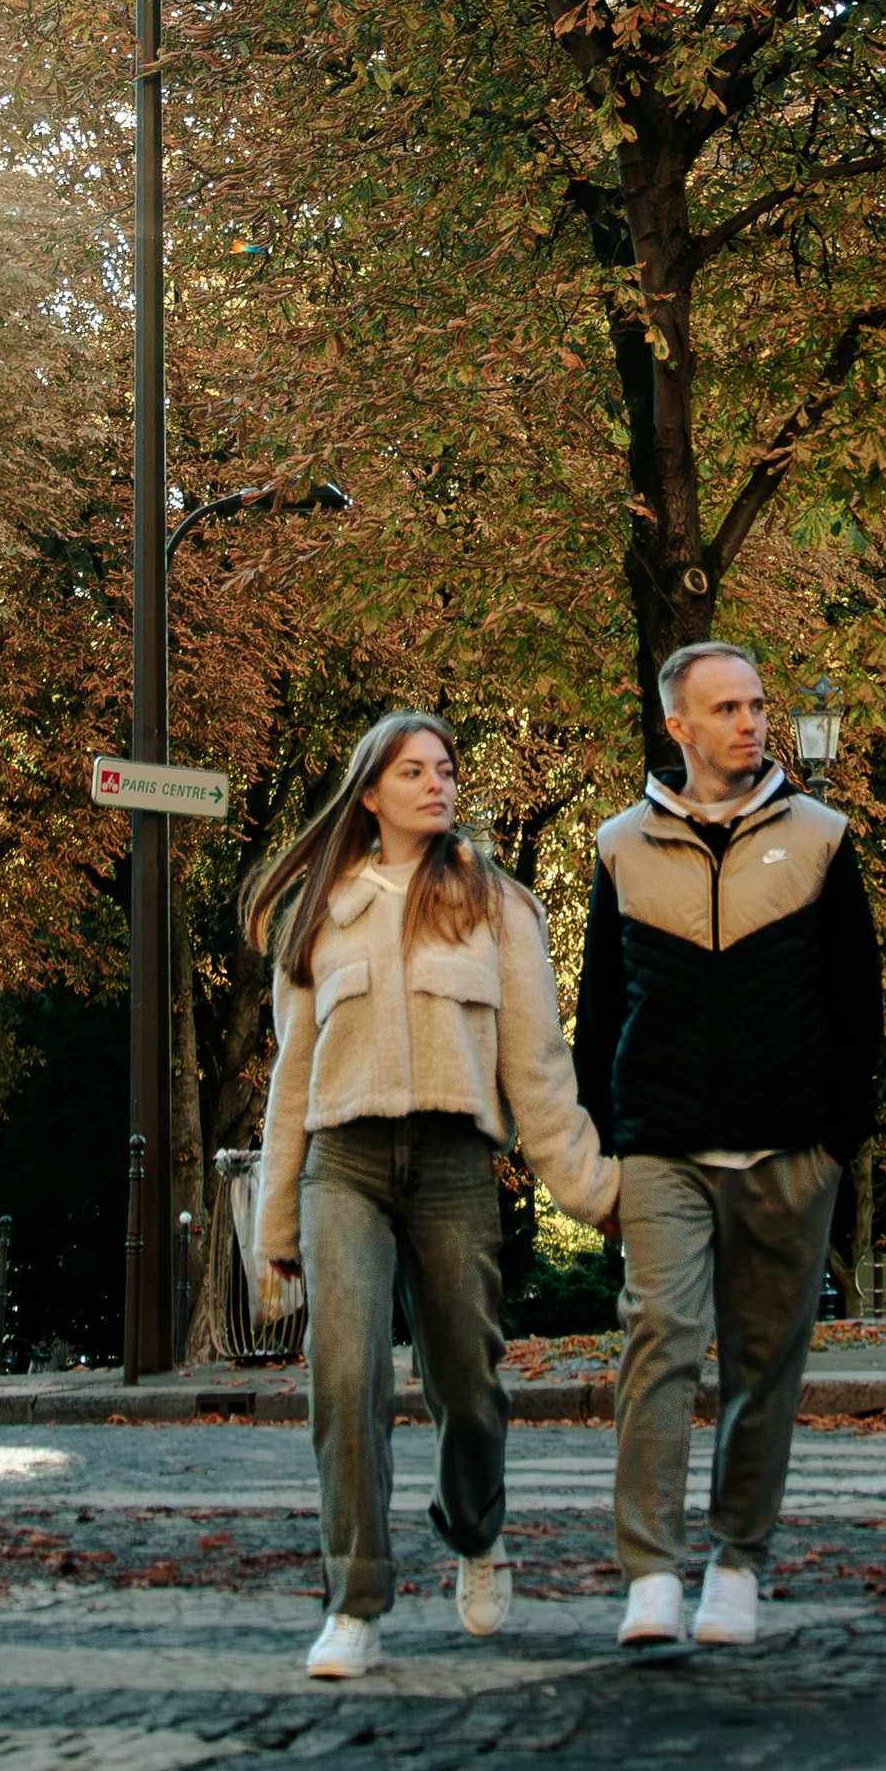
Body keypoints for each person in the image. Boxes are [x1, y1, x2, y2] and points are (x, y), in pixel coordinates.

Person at [250, 709, 619, 1680]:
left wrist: (593, 1188)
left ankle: (474, 1531)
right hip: (344, 1164)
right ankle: (354, 1602)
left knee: (469, 1383)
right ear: (371, 792)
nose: (435, 783)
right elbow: (291, 1082)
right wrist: (274, 1223)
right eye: (412, 770)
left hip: (455, 1164)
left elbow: (537, 1064)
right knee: (345, 1377)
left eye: (445, 769)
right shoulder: (322, 911)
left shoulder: (496, 903)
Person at [573, 642, 883, 1651]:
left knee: (763, 1366)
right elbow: (599, 1014)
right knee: (657, 1345)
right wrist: (603, 1152)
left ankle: (737, 1561)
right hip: (660, 1152)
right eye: (726, 708)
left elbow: (858, 1004)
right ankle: (650, 1575)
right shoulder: (621, 845)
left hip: (789, 1156)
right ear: (679, 726)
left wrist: (833, 1144)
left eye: (756, 704)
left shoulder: (822, 839)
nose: (750, 721)